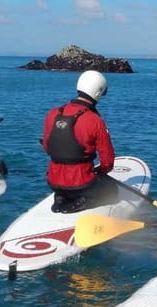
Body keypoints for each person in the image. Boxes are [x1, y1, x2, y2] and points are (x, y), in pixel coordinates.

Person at [42, 70, 116, 214]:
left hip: (53, 182)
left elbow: (47, 147)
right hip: (82, 184)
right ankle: (84, 201)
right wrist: (98, 171)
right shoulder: (95, 120)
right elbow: (108, 162)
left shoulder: (52, 114)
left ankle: (60, 198)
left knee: (68, 185)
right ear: (98, 93)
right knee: (112, 190)